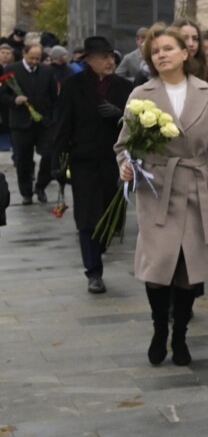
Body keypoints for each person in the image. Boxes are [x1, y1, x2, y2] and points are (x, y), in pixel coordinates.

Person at [117, 25, 208, 366]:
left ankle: (181, 334)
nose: (161, 54)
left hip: (197, 187)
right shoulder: (141, 94)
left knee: (189, 270)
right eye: (155, 50)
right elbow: (123, 145)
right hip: (157, 189)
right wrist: (126, 166)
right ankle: (160, 328)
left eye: (168, 48)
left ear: (186, 53)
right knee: (158, 267)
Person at [54, 36, 135, 294]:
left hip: (116, 163)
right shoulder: (73, 85)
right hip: (84, 162)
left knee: (112, 220)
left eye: (112, 56)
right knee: (87, 218)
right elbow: (62, 123)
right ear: (89, 60)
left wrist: (120, 115)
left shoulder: (124, 87)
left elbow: (137, 124)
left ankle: (97, 251)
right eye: (104, 57)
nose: (110, 61)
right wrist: (56, 162)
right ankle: (94, 271)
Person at [2, 39, 58, 204]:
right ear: (24, 54)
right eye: (31, 58)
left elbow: (54, 97)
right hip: (21, 123)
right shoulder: (12, 70)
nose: (34, 62)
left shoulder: (47, 72)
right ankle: (26, 192)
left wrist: (52, 118)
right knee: (23, 159)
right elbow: (2, 95)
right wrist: (15, 100)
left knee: (49, 154)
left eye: (37, 58)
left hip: (43, 123)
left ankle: (40, 186)